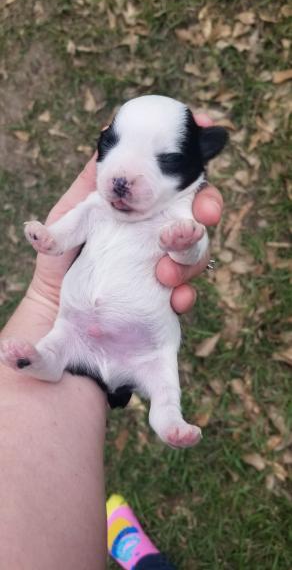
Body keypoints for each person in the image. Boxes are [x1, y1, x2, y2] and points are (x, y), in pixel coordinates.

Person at [0, 113, 223, 570]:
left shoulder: (182, 209)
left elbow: (194, 250)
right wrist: (55, 238)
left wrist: (186, 245)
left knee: (162, 367)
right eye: (112, 148)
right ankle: (43, 362)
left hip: (142, 343)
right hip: (76, 326)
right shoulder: (99, 201)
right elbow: (74, 225)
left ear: (197, 164)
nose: (122, 178)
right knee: (58, 339)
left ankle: (166, 416)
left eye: (161, 160)